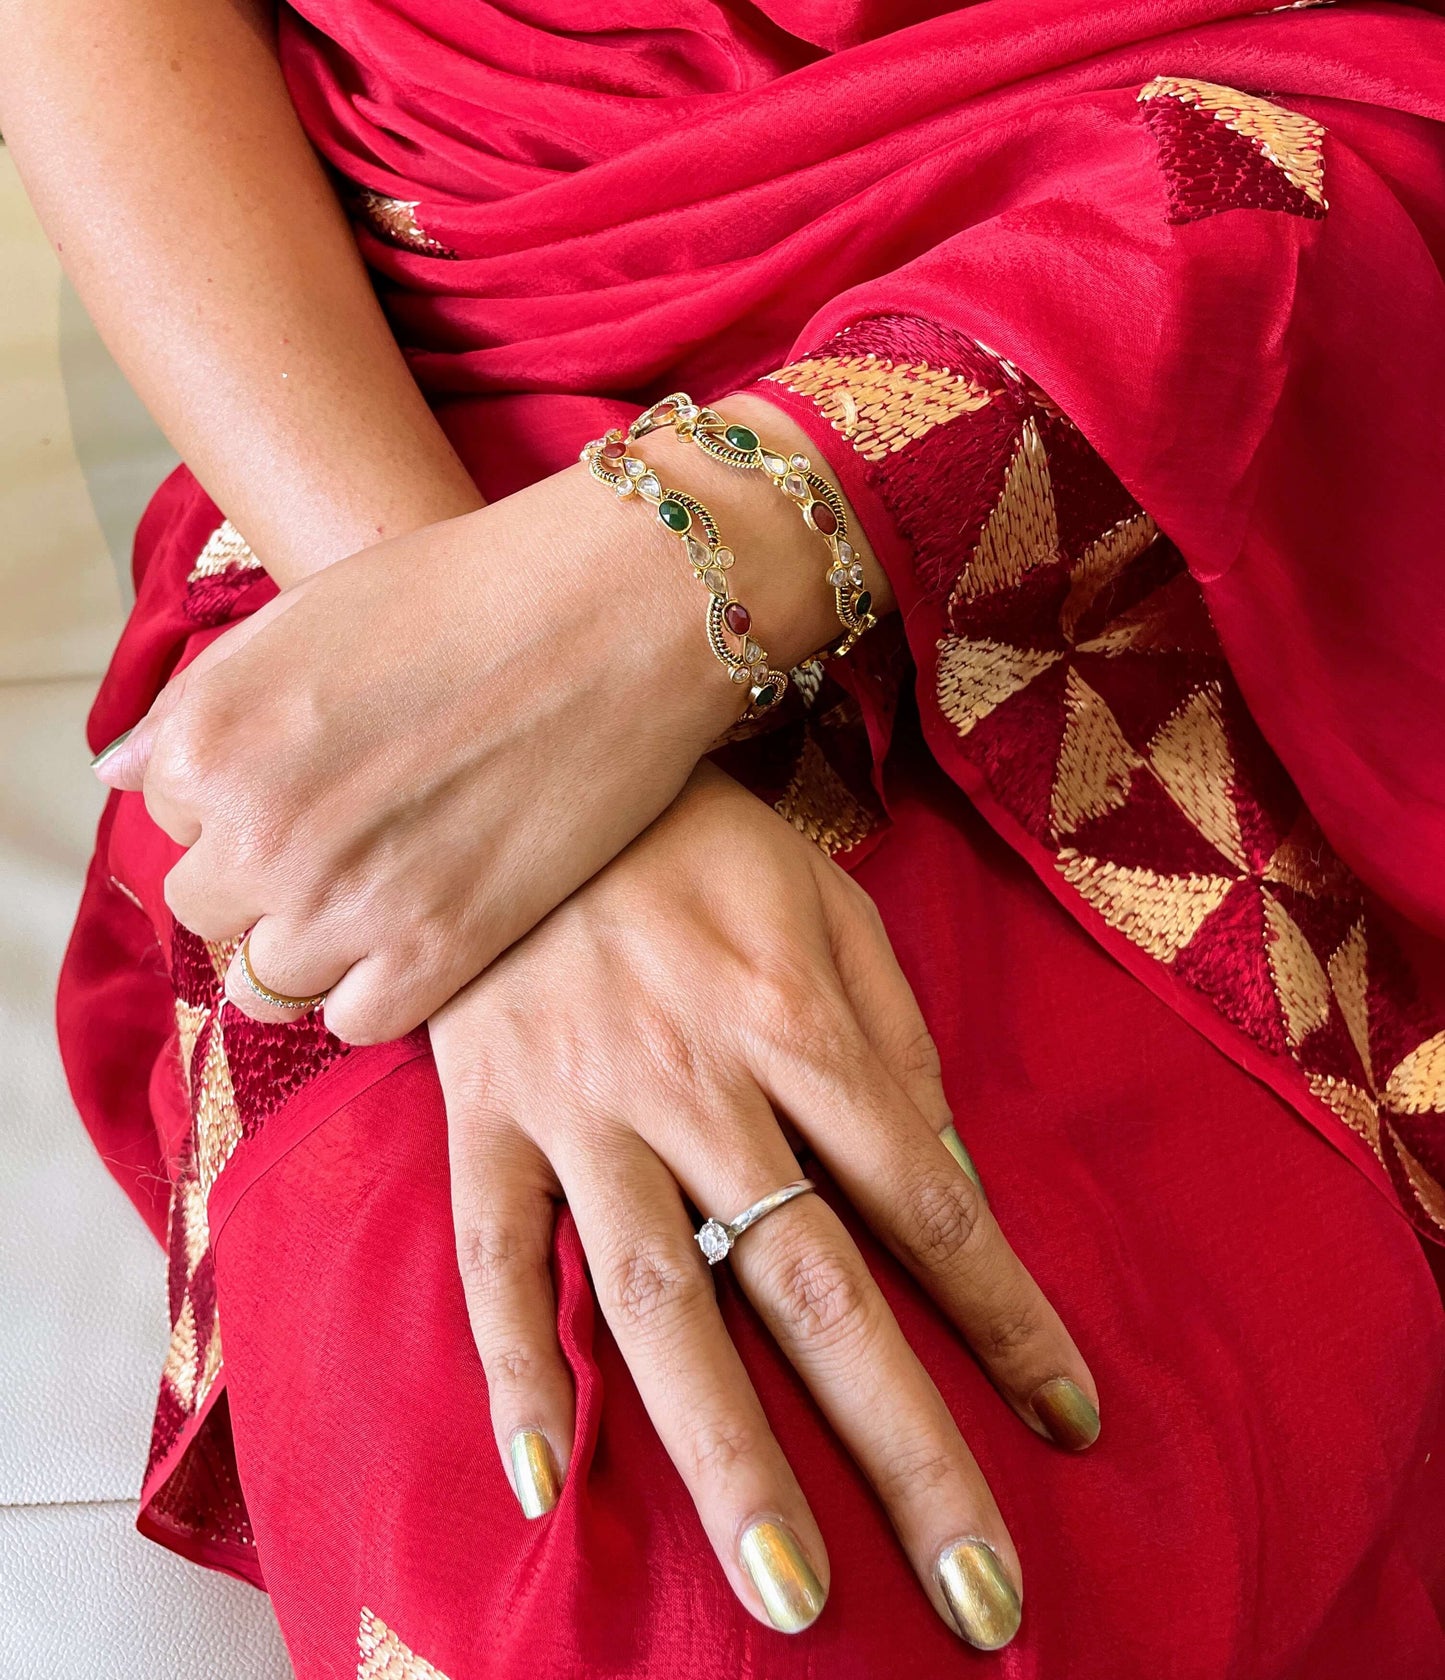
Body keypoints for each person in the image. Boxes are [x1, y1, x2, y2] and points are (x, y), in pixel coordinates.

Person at [5, 0, 1445, 1673]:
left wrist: (695, 573)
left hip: (1165, 347)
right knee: (623, 1532)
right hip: (404, 404)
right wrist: (474, 733)